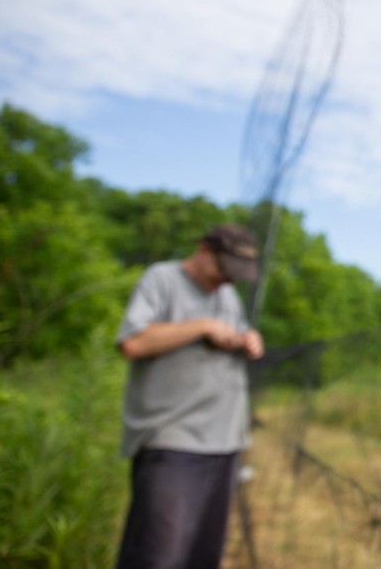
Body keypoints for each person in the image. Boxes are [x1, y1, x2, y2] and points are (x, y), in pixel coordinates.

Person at [115, 224, 265, 569]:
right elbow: (133, 342)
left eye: (236, 276)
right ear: (203, 250)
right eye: (224, 270)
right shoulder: (162, 279)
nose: (228, 281)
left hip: (224, 441)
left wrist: (249, 341)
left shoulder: (226, 295)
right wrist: (200, 326)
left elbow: (237, 334)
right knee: (157, 553)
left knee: (203, 553)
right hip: (174, 440)